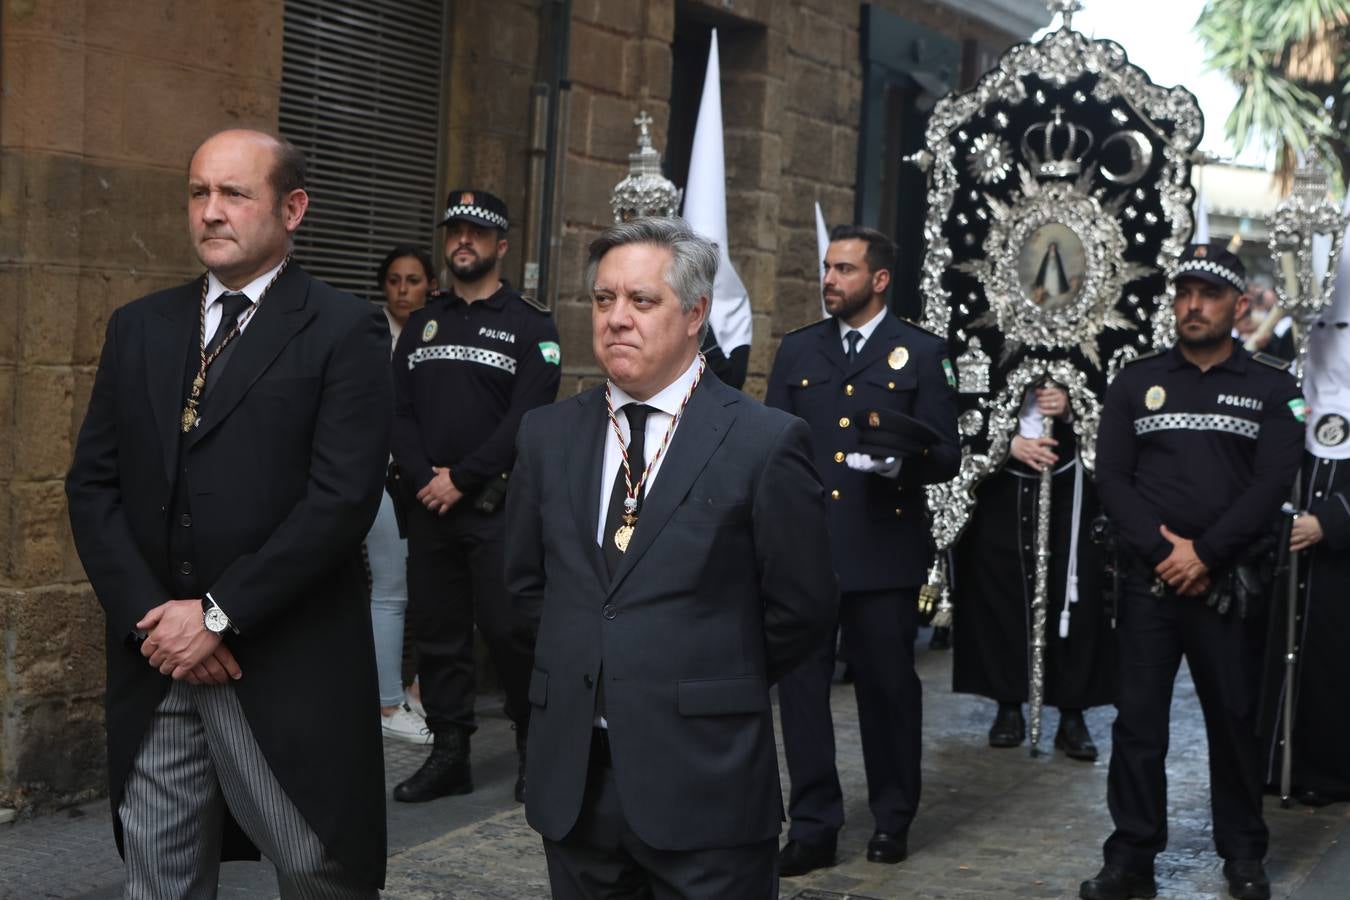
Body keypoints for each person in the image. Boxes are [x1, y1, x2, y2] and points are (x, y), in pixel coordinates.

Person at [65, 129, 392, 897]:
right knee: (158, 871)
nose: (210, 211)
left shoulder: (343, 329)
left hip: (280, 659)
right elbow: (93, 487)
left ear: (292, 209)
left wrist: (217, 614)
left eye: (234, 194)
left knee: (316, 865)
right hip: (156, 663)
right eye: (198, 193)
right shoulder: (139, 326)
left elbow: (340, 500)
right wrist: (155, 619)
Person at [505, 216, 837, 898]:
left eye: (641, 300)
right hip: (576, 783)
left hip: (705, 780)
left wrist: (699, 681)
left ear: (694, 314)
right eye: (604, 299)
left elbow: (801, 610)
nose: (616, 319)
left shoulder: (764, 442)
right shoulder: (547, 435)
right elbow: (523, 590)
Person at [1081, 244, 1304, 900]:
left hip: (1229, 586)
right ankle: (1130, 860)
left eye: (1208, 295)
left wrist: (1204, 555)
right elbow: (1112, 478)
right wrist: (1164, 553)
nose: (1192, 305)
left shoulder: (1273, 386)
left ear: (1239, 305)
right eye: (1183, 294)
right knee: (1137, 725)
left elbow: (1272, 484)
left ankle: (1243, 855)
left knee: (1233, 722)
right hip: (1148, 583)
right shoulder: (1136, 381)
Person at [765, 224, 960, 875]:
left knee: (887, 690)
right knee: (801, 694)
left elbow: (947, 453)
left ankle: (892, 818)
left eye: (844, 269)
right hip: (807, 551)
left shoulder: (921, 352)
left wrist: (900, 467)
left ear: (879, 279)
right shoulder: (799, 349)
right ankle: (813, 826)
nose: (830, 280)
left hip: (882, 550)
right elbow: (772, 445)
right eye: (828, 267)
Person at [391, 189, 562, 805]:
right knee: (437, 634)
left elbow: (528, 416)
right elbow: (398, 409)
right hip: (430, 508)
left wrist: (461, 478)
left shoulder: (531, 323)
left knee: (511, 631)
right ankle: (450, 753)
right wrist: (423, 478)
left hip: (497, 509)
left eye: (478, 232)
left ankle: (533, 747)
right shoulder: (423, 322)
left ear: (501, 245)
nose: (464, 240)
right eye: (455, 231)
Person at [952, 382, 1116, 759]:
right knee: (1001, 592)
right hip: (1001, 482)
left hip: (1070, 478)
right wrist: (1005, 442)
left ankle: (1072, 713)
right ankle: (1008, 704)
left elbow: (1107, 388)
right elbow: (962, 405)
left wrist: (1072, 407)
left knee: (1073, 594)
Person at [1260, 255, 1350, 806]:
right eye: (1320, 327)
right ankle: (1274, 760)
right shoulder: (1288, 371)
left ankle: (1327, 767)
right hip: (1284, 550)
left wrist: (1332, 521)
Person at [371, 245, 435, 742]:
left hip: (426, 480)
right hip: (376, 478)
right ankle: (388, 704)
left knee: (429, 590)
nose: (402, 290)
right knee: (390, 589)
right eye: (394, 280)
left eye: (413, 280)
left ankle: (414, 691)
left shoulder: (437, 334)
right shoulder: (368, 333)